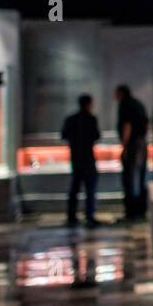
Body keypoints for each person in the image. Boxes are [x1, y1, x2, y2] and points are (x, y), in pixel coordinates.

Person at [60, 93, 100, 228]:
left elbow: (63, 134)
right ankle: (89, 216)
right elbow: (96, 136)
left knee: (74, 189)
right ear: (88, 104)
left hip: (76, 158)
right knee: (90, 189)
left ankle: (71, 216)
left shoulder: (71, 119)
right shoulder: (91, 119)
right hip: (88, 158)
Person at [114, 84, 149, 222]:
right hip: (141, 142)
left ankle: (132, 211)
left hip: (133, 144)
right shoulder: (138, 104)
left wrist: (125, 146)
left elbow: (127, 126)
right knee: (139, 177)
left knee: (130, 178)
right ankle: (140, 210)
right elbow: (147, 125)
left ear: (121, 93)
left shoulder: (125, 104)